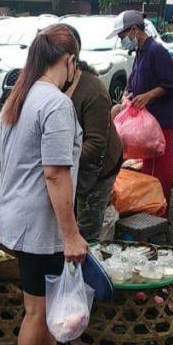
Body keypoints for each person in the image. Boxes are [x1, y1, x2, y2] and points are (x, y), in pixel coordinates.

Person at [0, 24, 89, 345]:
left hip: (23, 216)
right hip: (39, 222)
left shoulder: (23, 95)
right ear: (68, 61)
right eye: (76, 63)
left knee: (48, 302)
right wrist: (71, 233)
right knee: (36, 311)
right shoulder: (55, 103)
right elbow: (55, 172)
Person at [110, 10, 173, 210]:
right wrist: (128, 94)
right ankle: (150, 208)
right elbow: (133, 82)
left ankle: (161, 211)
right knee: (148, 169)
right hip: (146, 124)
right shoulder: (140, 53)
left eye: (122, 36)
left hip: (162, 120)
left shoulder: (156, 51)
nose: (122, 40)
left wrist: (149, 95)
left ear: (134, 30)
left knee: (161, 170)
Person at [63, 26, 123, 240]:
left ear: (70, 60)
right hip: (74, 165)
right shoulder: (59, 83)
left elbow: (96, 143)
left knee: (87, 228)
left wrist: (59, 160)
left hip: (99, 168)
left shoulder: (93, 90)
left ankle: (89, 268)